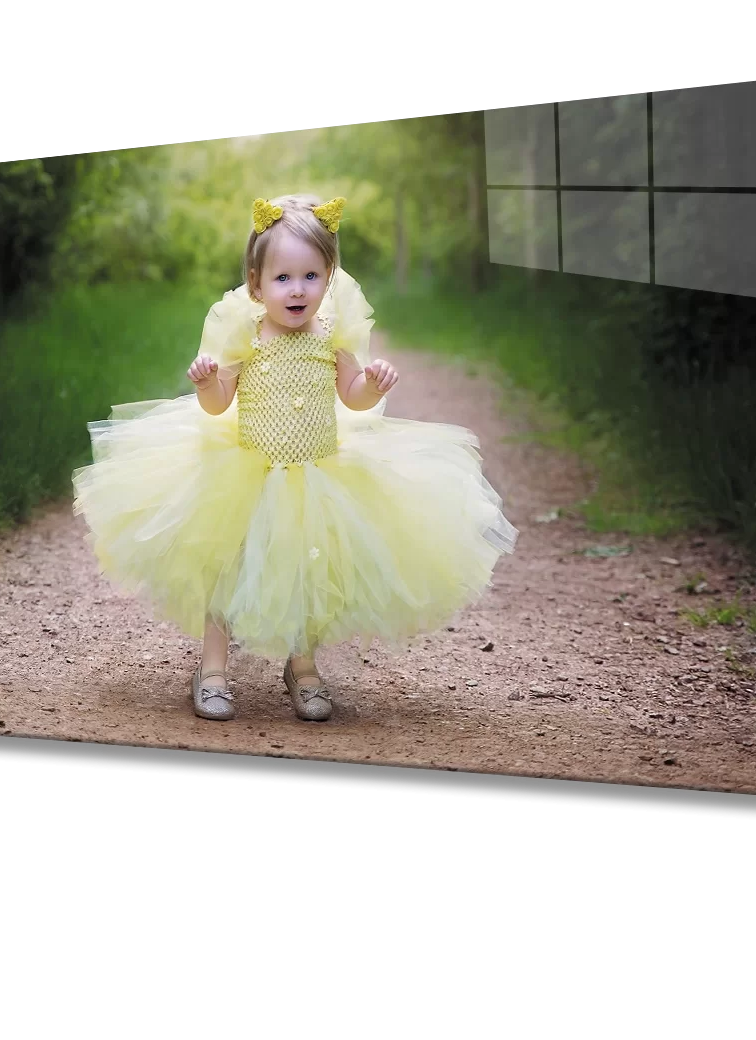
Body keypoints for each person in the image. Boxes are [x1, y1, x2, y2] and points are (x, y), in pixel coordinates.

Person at [72, 193, 518, 723]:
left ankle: (302, 667)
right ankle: (212, 668)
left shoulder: (333, 335)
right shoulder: (246, 335)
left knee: (309, 569)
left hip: (314, 475)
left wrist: (372, 386)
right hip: (247, 473)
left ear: (328, 278)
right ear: (256, 284)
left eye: (310, 276)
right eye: (282, 278)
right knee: (227, 566)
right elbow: (218, 406)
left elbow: (351, 394)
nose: (297, 289)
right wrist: (208, 382)